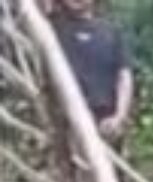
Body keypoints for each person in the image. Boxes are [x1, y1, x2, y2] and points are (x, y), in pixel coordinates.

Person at [48, 0, 134, 146]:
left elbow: (124, 76)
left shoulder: (110, 32)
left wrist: (119, 116)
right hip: (67, 120)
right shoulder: (53, 29)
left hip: (105, 122)